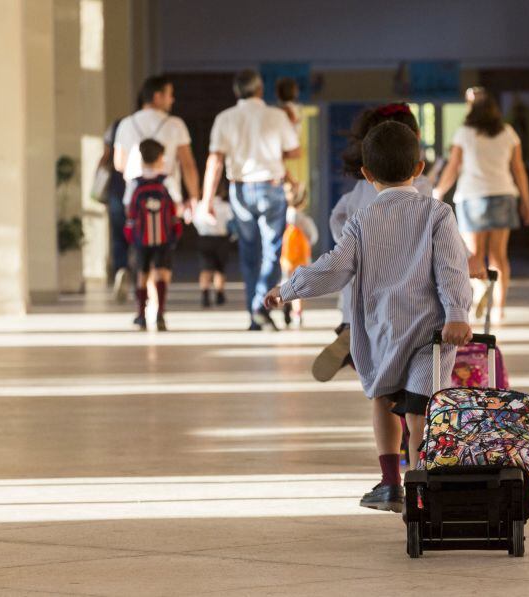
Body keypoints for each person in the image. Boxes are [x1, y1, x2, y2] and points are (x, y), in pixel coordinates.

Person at [265, 121, 473, 512]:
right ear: (420, 168)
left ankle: (391, 483)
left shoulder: (361, 220)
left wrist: (288, 289)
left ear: (366, 173)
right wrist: (458, 313)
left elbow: (333, 268)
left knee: (382, 399)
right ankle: (422, 488)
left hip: (382, 334)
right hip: (433, 335)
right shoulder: (438, 213)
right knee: (419, 414)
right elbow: (452, 268)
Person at [316, 103, 485, 382]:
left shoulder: (363, 186)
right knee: (413, 377)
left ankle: (350, 333)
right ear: (415, 142)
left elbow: (337, 216)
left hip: (364, 296)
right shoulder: (418, 187)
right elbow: (443, 239)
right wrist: (468, 258)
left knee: (380, 383)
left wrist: (350, 246)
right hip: (409, 303)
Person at [201, 69, 301, 331]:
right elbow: (295, 150)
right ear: (259, 90)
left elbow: (215, 160)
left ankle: (254, 314)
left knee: (248, 253)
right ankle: (259, 306)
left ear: (237, 92)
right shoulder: (276, 116)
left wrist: (206, 200)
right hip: (271, 187)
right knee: (272, 251)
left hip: (240, 190)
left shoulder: (225, 118)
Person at [433, 90, 529, 324]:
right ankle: (498, 309)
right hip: (503, 195)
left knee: (474, 256)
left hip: (472, 197)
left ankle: (479, 290)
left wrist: (438, 191)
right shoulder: (508, 133)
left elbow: (454, 167)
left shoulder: (465, 133)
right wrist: (526, 201)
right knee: (499, 256)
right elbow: (518, 169)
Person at [114, 75, 200, 209]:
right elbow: (187, 164)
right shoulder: (175, 125)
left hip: (136, 198)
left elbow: (119, 163)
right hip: (167, 197)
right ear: (157, 96)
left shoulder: (126, 124)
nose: (172, 99)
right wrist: (194, 197)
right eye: (170, 94)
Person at [124, 140, 181, 332]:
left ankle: (140, 313)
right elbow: (176, 206)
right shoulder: (167, 180)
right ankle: (160, 313)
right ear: (160, 158)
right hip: (164, 236)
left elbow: (128, 208)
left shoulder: (135, 182)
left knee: (142, 272)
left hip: (141, 237)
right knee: (161, 271)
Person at [98, 118, 129, 303]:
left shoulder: (114, 128)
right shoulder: (138, 127)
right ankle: (139, 271)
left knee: (118, 235)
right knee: (138, 233)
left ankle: (121, 268)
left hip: (116, 190)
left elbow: (105, 157)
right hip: (137, 189)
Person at [193, 178, 234, 308]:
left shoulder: (200, 206)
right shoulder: (226, 207)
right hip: (221, 239)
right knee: (220, 269)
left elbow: (195, 220)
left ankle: (205, 293)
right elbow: (232, 223)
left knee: (205, 268)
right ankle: (219, 294)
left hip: (204, 238)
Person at [280, 186, 318, 326]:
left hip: (286, 256)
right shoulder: (304, 219)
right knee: (299, 286)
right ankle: (297, 313)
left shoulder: (282, 216)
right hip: (301, 258)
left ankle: (286, 305)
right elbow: (313, 236)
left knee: (286, 281)